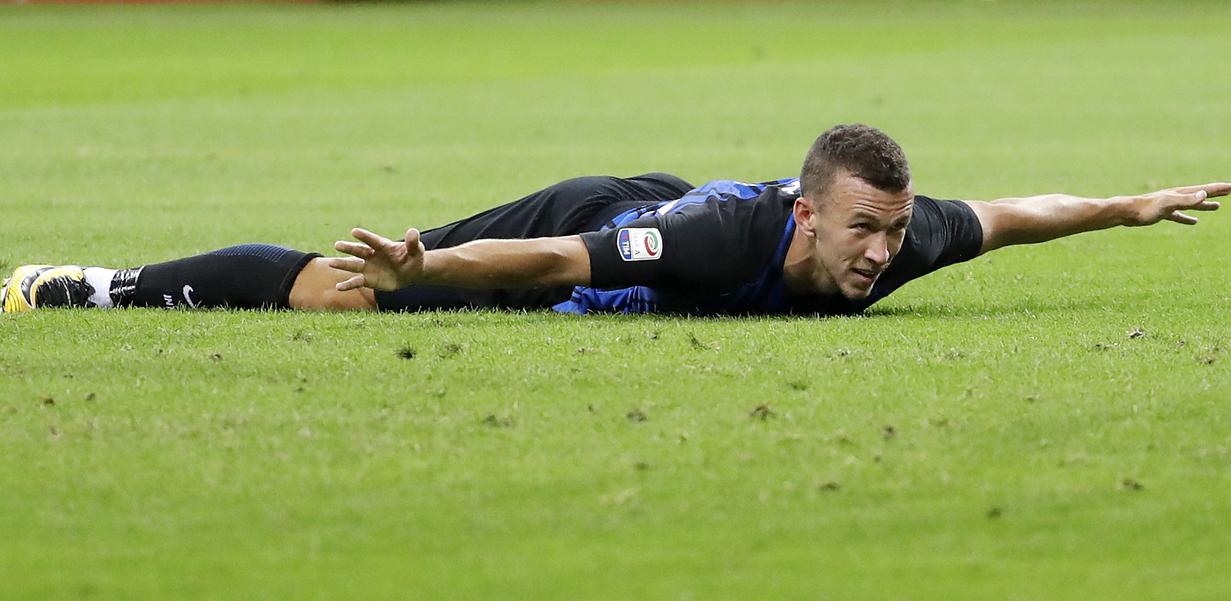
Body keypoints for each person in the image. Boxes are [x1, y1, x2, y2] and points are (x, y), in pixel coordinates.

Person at [3, 124, 1226, 317]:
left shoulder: (902, 239)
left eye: (892, 231)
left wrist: (1128, 206)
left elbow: (1011, 214)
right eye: (859, 228)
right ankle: (85, 284)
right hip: (599, 218)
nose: (879, 249)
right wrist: (435, 264)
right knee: (349, 294)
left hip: (636, 234)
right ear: (806, 213)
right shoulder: (717, 243)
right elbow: (555, 254)